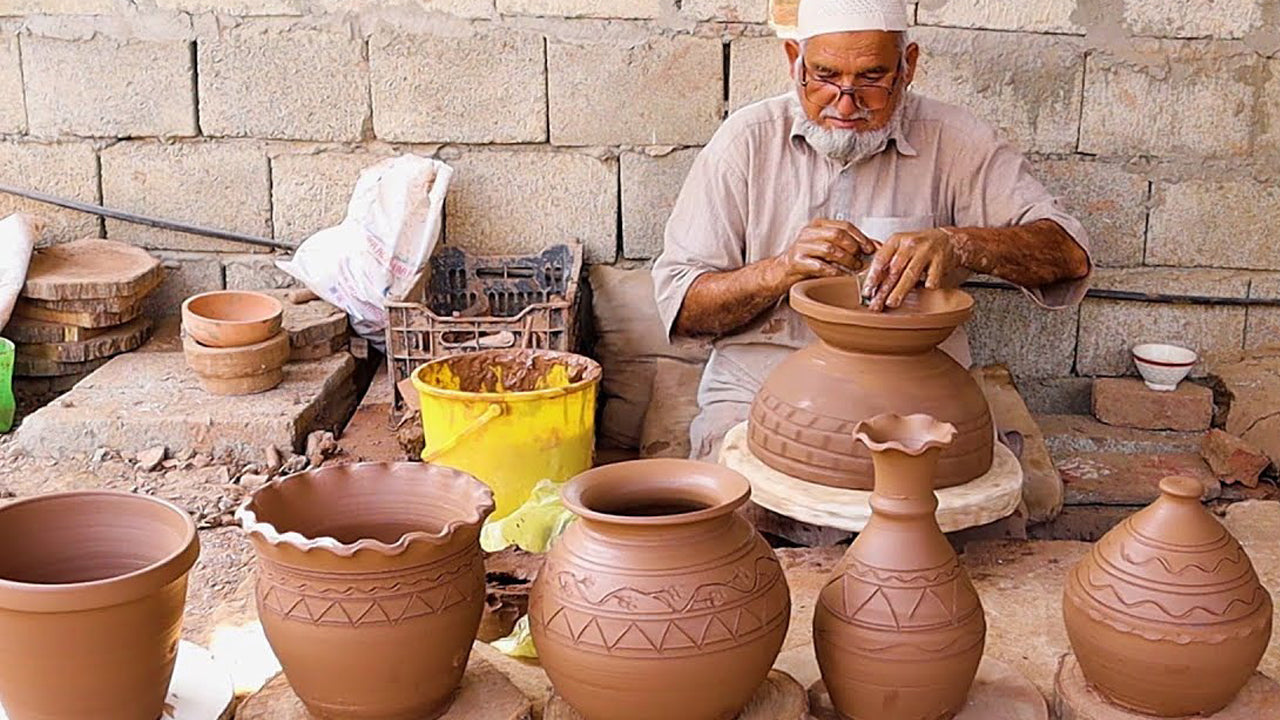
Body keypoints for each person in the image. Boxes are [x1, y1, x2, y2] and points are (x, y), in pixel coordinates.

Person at [652, 0, 1092, 462]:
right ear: (792, 61)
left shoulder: (956, 139)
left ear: (908, 67)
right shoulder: (745, 141)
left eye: (871, 78)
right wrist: (779, 271)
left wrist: (962, 245)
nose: (845, 102)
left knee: (957, 506)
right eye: (823, 76)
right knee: (736, 508)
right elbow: (682, 309)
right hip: (759, 381)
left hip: (915, 388)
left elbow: (1070, 255)